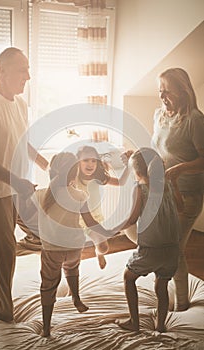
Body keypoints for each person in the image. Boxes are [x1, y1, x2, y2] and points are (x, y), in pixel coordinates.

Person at [0, 47, 48, 322]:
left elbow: (23, 139)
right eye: (22, 69)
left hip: (19, 188)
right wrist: (16, 180)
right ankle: (1, 311)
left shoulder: (20, 104)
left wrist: (46, 164)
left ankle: (5, 295)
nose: (28, 75)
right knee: (1, 251)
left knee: (45, 233)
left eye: (28, 69)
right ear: (2, 71)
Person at [19, 152, 113, 337]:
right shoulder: (80, 195)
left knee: (48, 285)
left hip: (52, 250)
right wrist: (106, 231)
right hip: (74, 248)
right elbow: (90, 221)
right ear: (74, 173)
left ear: (52, 172)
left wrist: (25, 193)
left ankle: (46, 328)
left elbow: (24, 214)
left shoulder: (40, 195)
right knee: (72, 270)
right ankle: (76, 298)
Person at [151, 67, 204, 311]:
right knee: (163, 244)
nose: (162, 97)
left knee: (175, 248)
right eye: (160, 91)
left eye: (167, 92)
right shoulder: (159, 116)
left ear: (183, 92)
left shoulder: (195, 120)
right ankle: (165, 290)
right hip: (164, 191)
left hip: (188, 195)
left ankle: (182, 303)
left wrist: (180, 169)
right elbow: (159, 151)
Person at [113, 147, 181, 333]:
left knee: (128, 278)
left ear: (136, 172)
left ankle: (134, 322)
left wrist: (115, 229)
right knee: (162, 285)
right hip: (173, 250)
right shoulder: (167, 184)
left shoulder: (139, 188)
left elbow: (133, 219)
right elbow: (181, 208)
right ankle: (161, 325)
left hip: (151, 250)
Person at [76, 145, 130, 269]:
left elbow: (121, 182)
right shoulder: (74, 179)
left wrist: (128, 166)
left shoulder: (98, 177)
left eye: (93, 160)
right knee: (72, 254)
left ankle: (98, 253)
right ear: (78, 162)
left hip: (94, 221)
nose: (90, 164)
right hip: (75, 223)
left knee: (103, 248)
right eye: (85, 160)